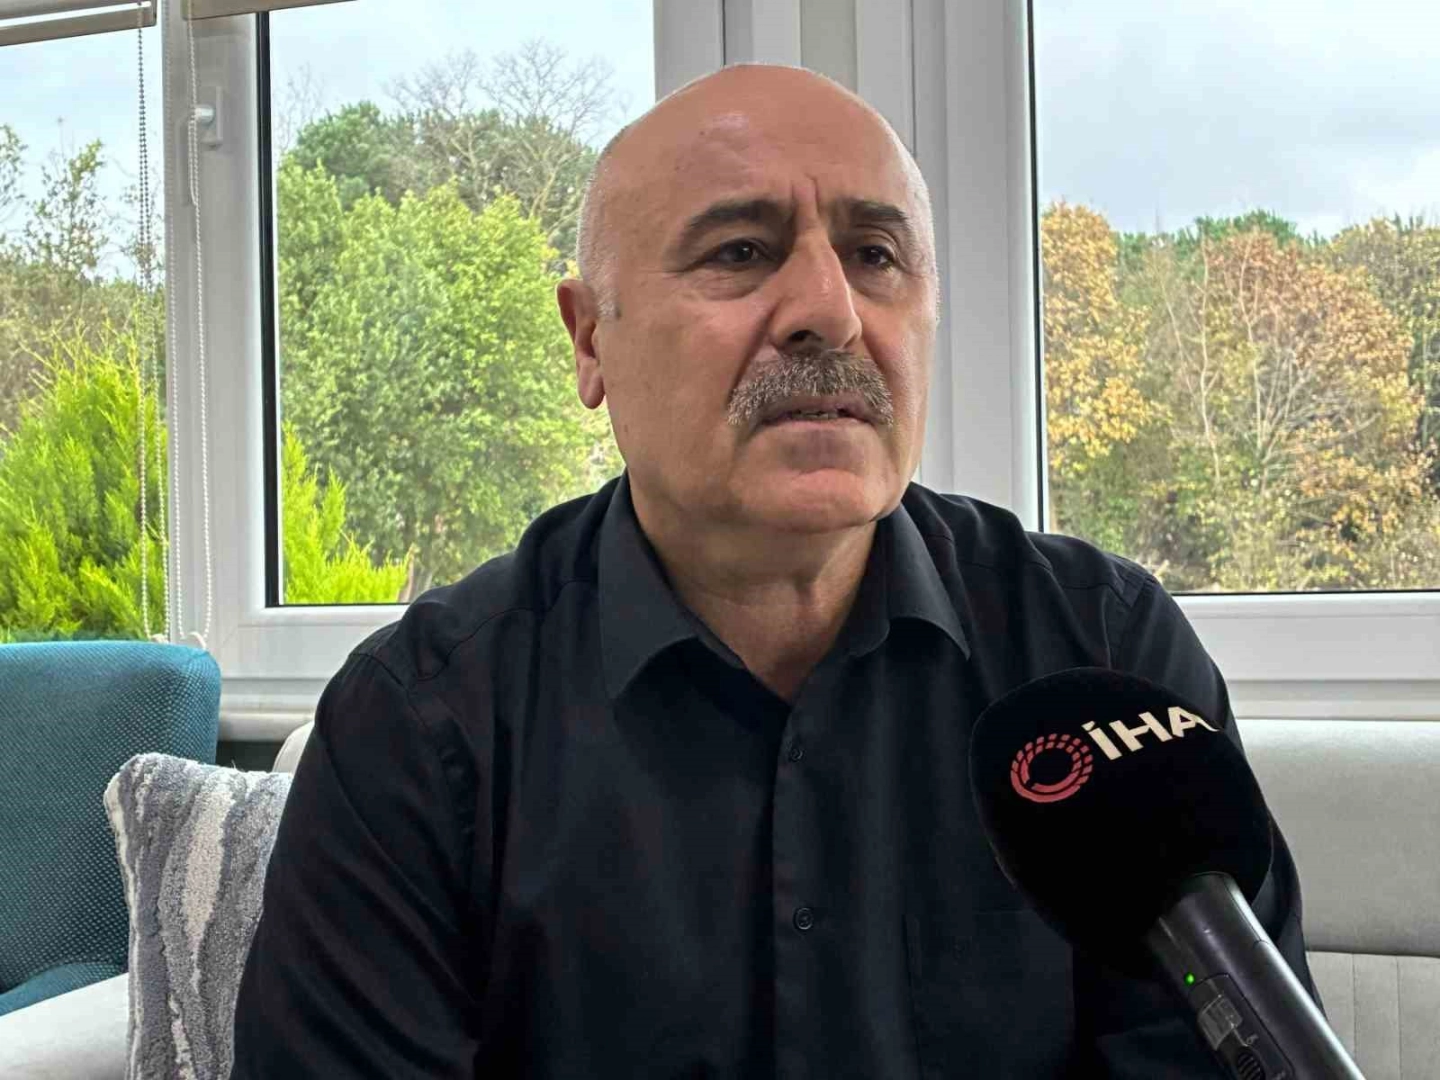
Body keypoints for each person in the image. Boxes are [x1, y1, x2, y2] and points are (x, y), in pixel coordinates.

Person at [231, 62, 1321, 1078]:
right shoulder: (419, 729)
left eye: (876, 255)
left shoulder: (1107, 657)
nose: (830, 313)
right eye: (740, 253)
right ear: (590, 340)